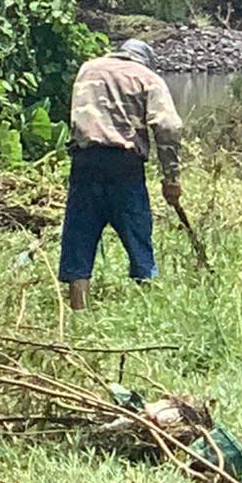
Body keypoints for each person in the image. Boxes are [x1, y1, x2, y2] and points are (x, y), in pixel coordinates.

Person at [61, 38, 184, 310]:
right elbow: (168, 127)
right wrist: (171, 178)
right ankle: (147, 306)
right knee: (138, 234)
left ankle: (78, 311)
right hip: (124, 166)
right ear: (145, 60)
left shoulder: (88, 69)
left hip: (85, 162)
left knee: (79, 237)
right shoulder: (147, 78)